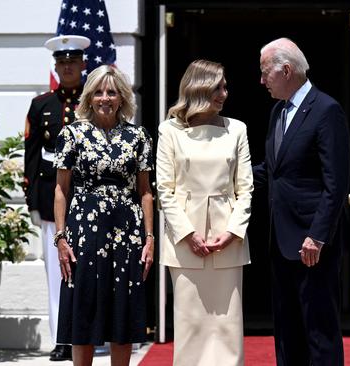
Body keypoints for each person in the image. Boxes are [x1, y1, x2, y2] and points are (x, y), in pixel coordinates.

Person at [253, 38, 350, 366]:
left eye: (266, 72)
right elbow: (271, 171)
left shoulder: (326, 110)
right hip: (281, 241)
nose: (262, 80)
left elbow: (335, 184)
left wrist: (318, 235)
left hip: (312, 244)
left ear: (286, 69)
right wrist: (221, 175)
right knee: (287, 329)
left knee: (318, 330)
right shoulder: (277, 112)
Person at [53, 65, 155, 366]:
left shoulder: (138, 136)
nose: (105, 98)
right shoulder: (72, 134)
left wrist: (149, 238)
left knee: (121, 316)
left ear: (122, 97)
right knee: (83, 316)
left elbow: (146, 191)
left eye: (111, 92)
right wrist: (60, 238)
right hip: (83, 234)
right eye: (98, 92)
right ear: (89, 97)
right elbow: (61, 189)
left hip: (127, 232)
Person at [156, 60, 254, 366]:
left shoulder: (237, 128)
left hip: (229, 241)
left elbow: (246, 188)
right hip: (185, 244)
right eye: (217, 87)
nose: (224, 93)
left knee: (226, 327)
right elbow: (164, 189)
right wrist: (188, 234)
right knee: (191, 327)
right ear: (198, 87)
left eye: (224, 86)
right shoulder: (168, 130)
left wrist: (233, 232)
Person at [23, 34, 90, 361]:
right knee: (56, 273)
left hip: (89, 197)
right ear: (56, 67)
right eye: (62, 63)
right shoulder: (41, 105)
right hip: (53, 199)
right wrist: (33, 201)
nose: (67, 68)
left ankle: (88, 334)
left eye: (72, 62)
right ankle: (61, 339)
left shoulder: (95, 102)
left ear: (82, 65)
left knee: (89, 268)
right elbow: (31, 157)